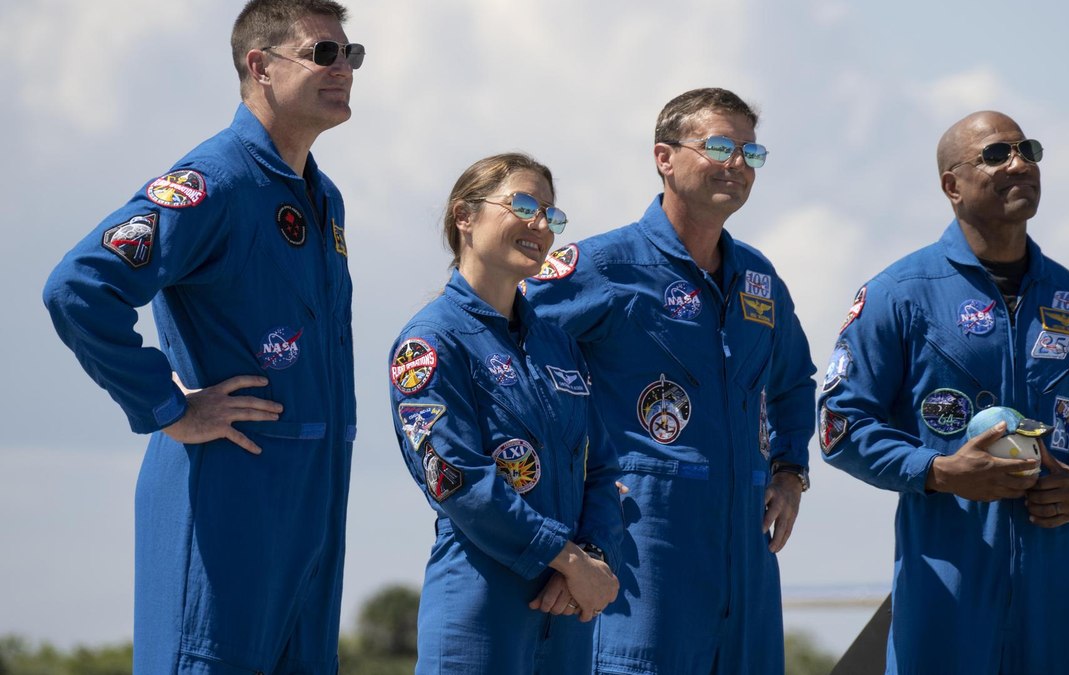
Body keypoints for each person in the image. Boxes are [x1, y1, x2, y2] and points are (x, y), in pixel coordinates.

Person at [42, 1, 363, 671]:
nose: (345, 69)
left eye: (351, 54)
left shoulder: (323, 196)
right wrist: (167, 407)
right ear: (260, 66)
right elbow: (78, 288)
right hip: (225, 507)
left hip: (311, 513)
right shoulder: (213, 182)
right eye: (324, 54)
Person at [819, 111, 1069, 674]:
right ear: (952, 185)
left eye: (1028, 150)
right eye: (997, 154)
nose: (1020, 164)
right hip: (945, 587)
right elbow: (840, 426)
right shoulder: (898, 295)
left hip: (1055, 594)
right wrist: (938, 471)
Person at [524, 88, 817, 674]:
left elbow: (793, 382)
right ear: (665, 157)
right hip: (641, 549)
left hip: (746, 556)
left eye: (751, 153)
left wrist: (790, 473)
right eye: (719, 147)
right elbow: (508, 359)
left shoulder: (759, 279)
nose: (737, 164)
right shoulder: (602, 267)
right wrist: (557, 531)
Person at [389, 153, 624, 674]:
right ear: (464, 216)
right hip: (480, 610)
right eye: (522, 205)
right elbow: (457, 480)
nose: (541, 225)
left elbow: (603, 468)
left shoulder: (559, 344)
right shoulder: (431, 343)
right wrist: (567, 558)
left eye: (550, 214)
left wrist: (592, 557)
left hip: (567, 610)